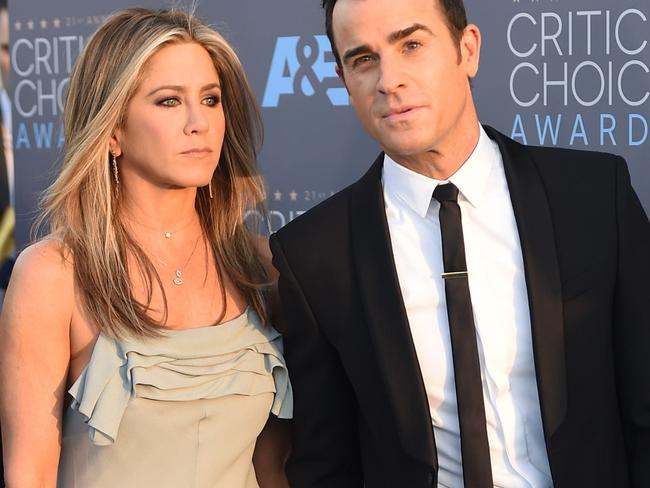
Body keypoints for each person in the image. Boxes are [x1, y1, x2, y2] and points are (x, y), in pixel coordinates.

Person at [269, 0, 650, 487]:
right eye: (363, 59)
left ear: (466, 50)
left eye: (411, 45)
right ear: (343, 80)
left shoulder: (594, 197)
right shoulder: (314, 254)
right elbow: (327, 462)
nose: (389, 80)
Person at [0, 8, 292, 488]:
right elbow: (28, 476)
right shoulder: (53, 276)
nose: (199, 122)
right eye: (168, 102)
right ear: (112, 130)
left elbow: (274, 467)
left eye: (211, 99)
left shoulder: (259, 266)